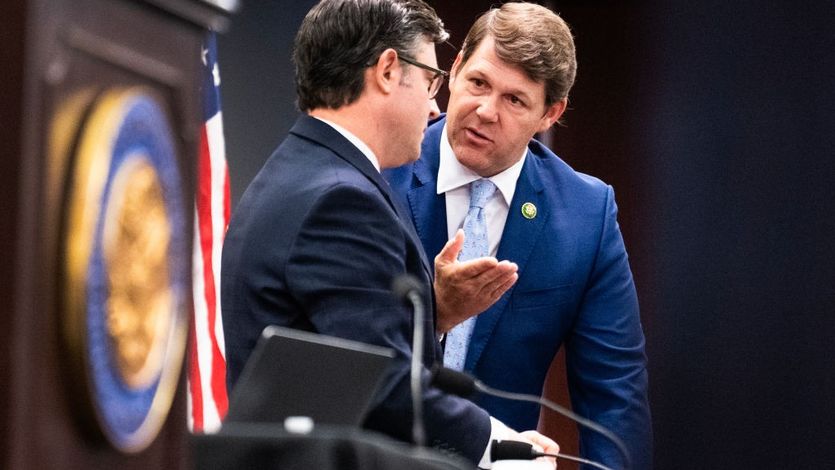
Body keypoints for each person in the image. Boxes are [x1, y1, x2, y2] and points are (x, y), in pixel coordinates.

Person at [220, 0, 558, 467]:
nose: (435, 103)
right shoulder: (341, 200)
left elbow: (346, 358)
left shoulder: (306, 169)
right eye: (430, 81)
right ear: (387, 70)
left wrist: (433, 312)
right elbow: (385, 384)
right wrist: (498, 447)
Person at [385, 3, 653, 469]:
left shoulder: (585, 215)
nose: (485, 111)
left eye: (514, 100)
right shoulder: (383, 171)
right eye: (478, 83)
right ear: (455, 69)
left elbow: (615, 399)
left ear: (550, 113)